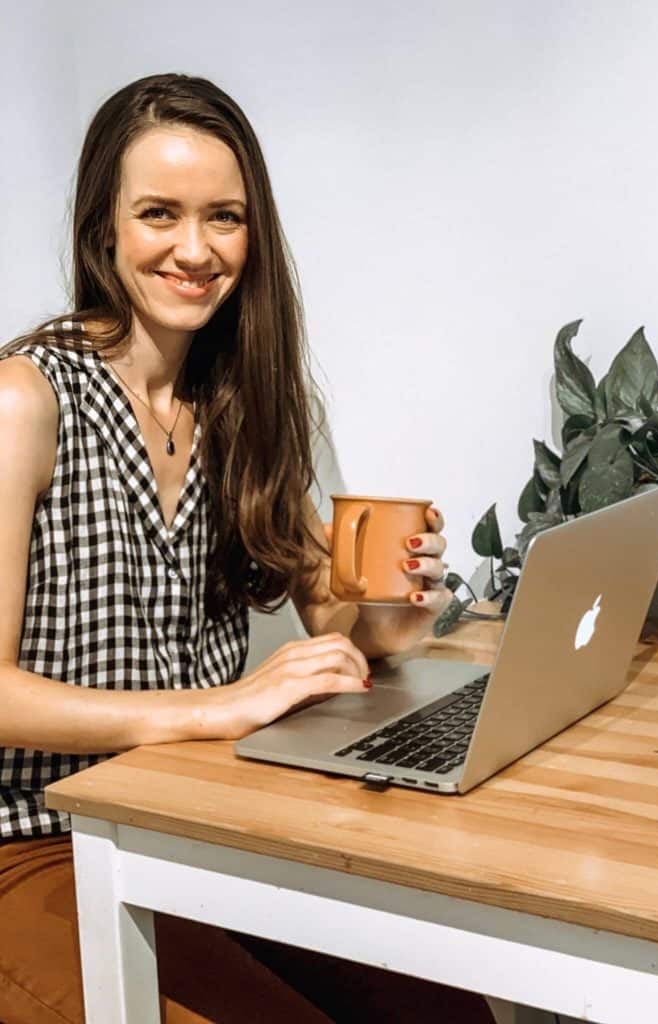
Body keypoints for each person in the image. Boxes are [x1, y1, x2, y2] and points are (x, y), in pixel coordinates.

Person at [0, 73, 495, 1024]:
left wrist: (399, 603)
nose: (195, 249)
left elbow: (345, 620)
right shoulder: (27, 400)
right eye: (159, 214)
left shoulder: (243, 403)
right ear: (103, 227)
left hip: (189, 827)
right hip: (32, 841)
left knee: (448, 1010)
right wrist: (218, 709)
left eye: (223, 217)